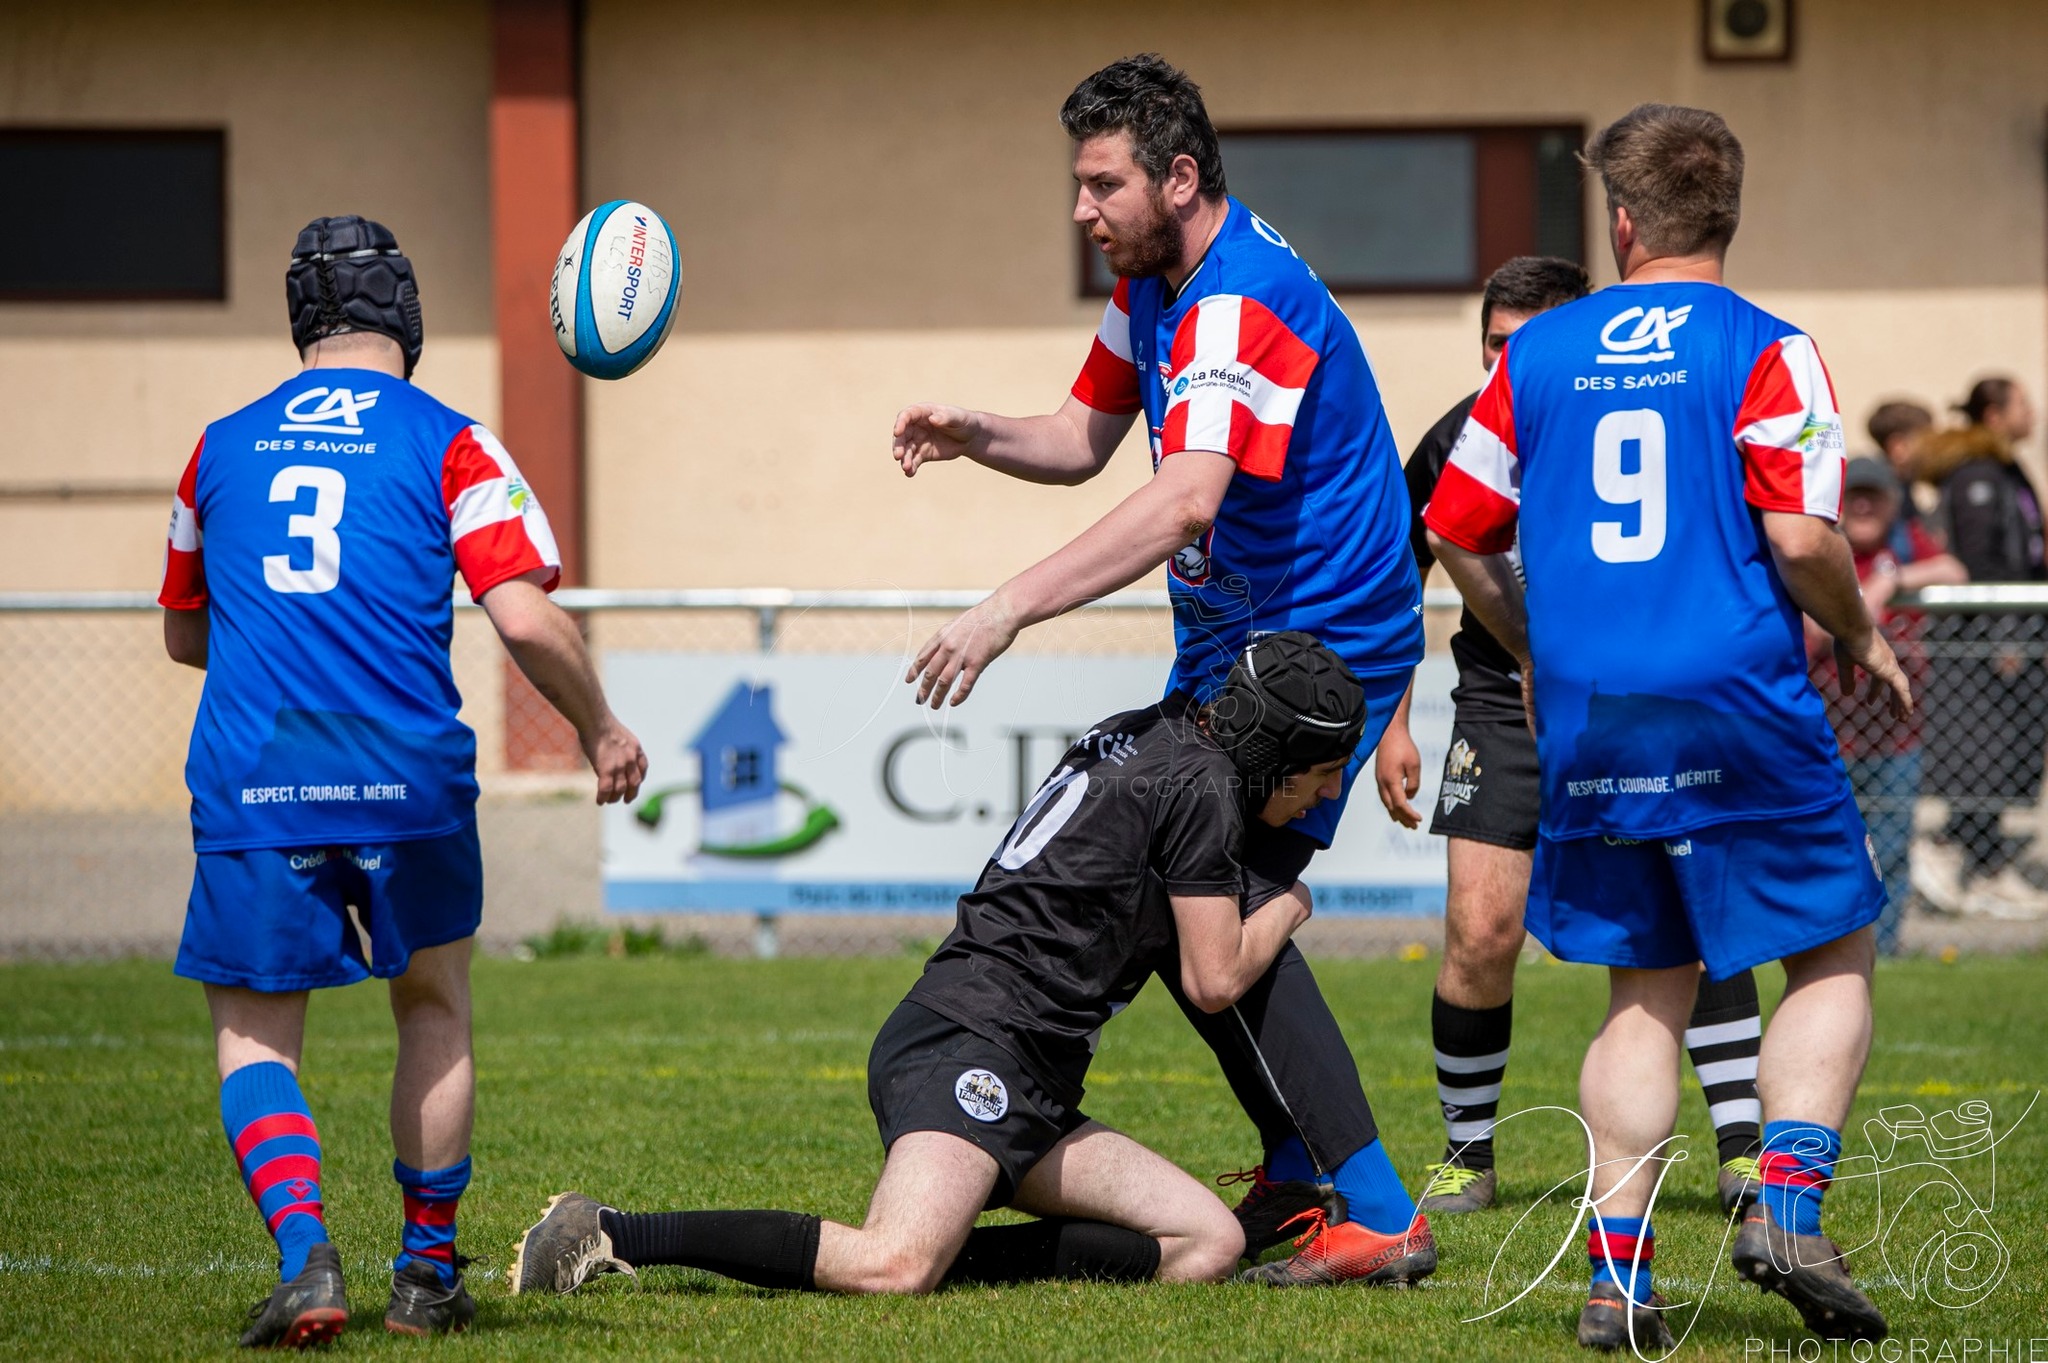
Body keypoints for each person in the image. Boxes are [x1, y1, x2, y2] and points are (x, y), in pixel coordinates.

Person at [888, 54, 1430, 1285]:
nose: (1080, 210)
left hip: (1316, 646)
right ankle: (1299, 1174)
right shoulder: (1153, 287)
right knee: (1194, 907)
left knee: (1213, 917)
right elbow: (1082, 441)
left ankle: (1382, 1212)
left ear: (1177, 177)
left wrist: (1004, 609)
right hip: (1239, 648)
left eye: (1100, 184)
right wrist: (977, 433)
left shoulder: (1235, 297)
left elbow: (1185, 501)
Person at [510, 635, 1434, 1298]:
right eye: (1322, 773)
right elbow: (1214, 978)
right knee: (892, 1264)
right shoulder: (1203, 792)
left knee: (1207, 1241)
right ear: (1274, 754)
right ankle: (610, 1230)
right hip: (970, 1040)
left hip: (1029, 1068)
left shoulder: (1148, 733)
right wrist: (1291, 904)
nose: (1325, 794)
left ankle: (952, 1251)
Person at [1424, 104, 1910, 1350]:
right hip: (1736, 699)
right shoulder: (1767, 347)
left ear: (1622, 220)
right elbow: (1801, 536)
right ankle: (1784, 1207)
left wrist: (1533, 650)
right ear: (1725, 215)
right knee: (1832, 947)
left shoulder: (1531, 356)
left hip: (1593, 716)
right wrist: (1856, 636)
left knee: (1640, 992)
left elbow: (1457, 527)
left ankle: (1616, 1280)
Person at [159, 216, 648, 1348]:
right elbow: (522, 616)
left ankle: (304, 1259)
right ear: (407, 317)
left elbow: (188, 638)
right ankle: (425, 1279)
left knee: (257, 1032)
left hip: (255, 770)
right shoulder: (453, 440)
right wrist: (600, 725)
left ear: (302, 323)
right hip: (404, 774)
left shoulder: (217, 447)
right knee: (431, 1005)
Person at [1376, 256, 1769, 1220]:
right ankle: (1468, 1156)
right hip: (1500, 703)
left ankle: (1743, 1148)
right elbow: (1393, 588)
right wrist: (1392, 725)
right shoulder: (1452, 439)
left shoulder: (1637, 417)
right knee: (1480, 927)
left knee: (1687, 912)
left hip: (1642, 696)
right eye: (1493, 344)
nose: (1506, 360)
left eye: (1525, 342)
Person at [1805, 457, 1965, 951]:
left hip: (1895, 734)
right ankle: (1828, 947)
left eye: (1876, 495)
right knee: (1827, 846)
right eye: (1855, 495)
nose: (1865, 504)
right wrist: (1852, 606)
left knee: (1891, 845)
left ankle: (1886, 948)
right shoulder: (1821, 547)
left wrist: (1889, 577)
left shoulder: (1903, 543)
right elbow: (1810, 634)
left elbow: (1954, 570)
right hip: (1825, 731)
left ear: (1894, 502)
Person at [1917, 378, 2047, 916]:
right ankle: (1962, 858)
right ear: (1994, 413)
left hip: (2013, 635)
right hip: (1985, 641)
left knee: (2005, 753)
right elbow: (1983, 561)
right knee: (1981, 751)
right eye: (2023, 404)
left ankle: (1984, 862)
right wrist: (2007, 631)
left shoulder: (2006, 470)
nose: (2033, 413)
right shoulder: (1977, 475)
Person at [1865, 400, 1936, 552]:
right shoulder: (1884, 490)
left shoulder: (1904, 485)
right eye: (1926, 441)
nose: (1931, 449)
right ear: (1898, 446)